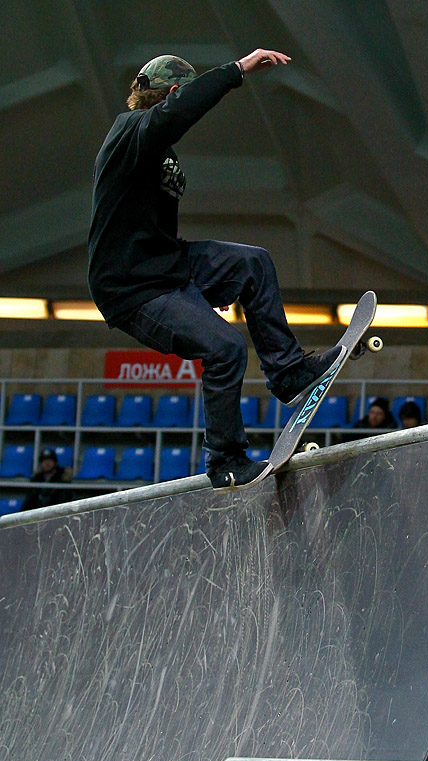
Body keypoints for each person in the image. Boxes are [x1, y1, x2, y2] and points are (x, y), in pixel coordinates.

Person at [88, 49, 343, 491]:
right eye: (178, 99)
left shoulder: (152, 146)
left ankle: (287, 373)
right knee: (225, 348)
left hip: (167, 266)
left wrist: (204, 283)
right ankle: (225, 459)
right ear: (170, 94)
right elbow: (176, 113)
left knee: (251, 263)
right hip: (132, 288)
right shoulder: (130, 132)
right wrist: (236, 71)